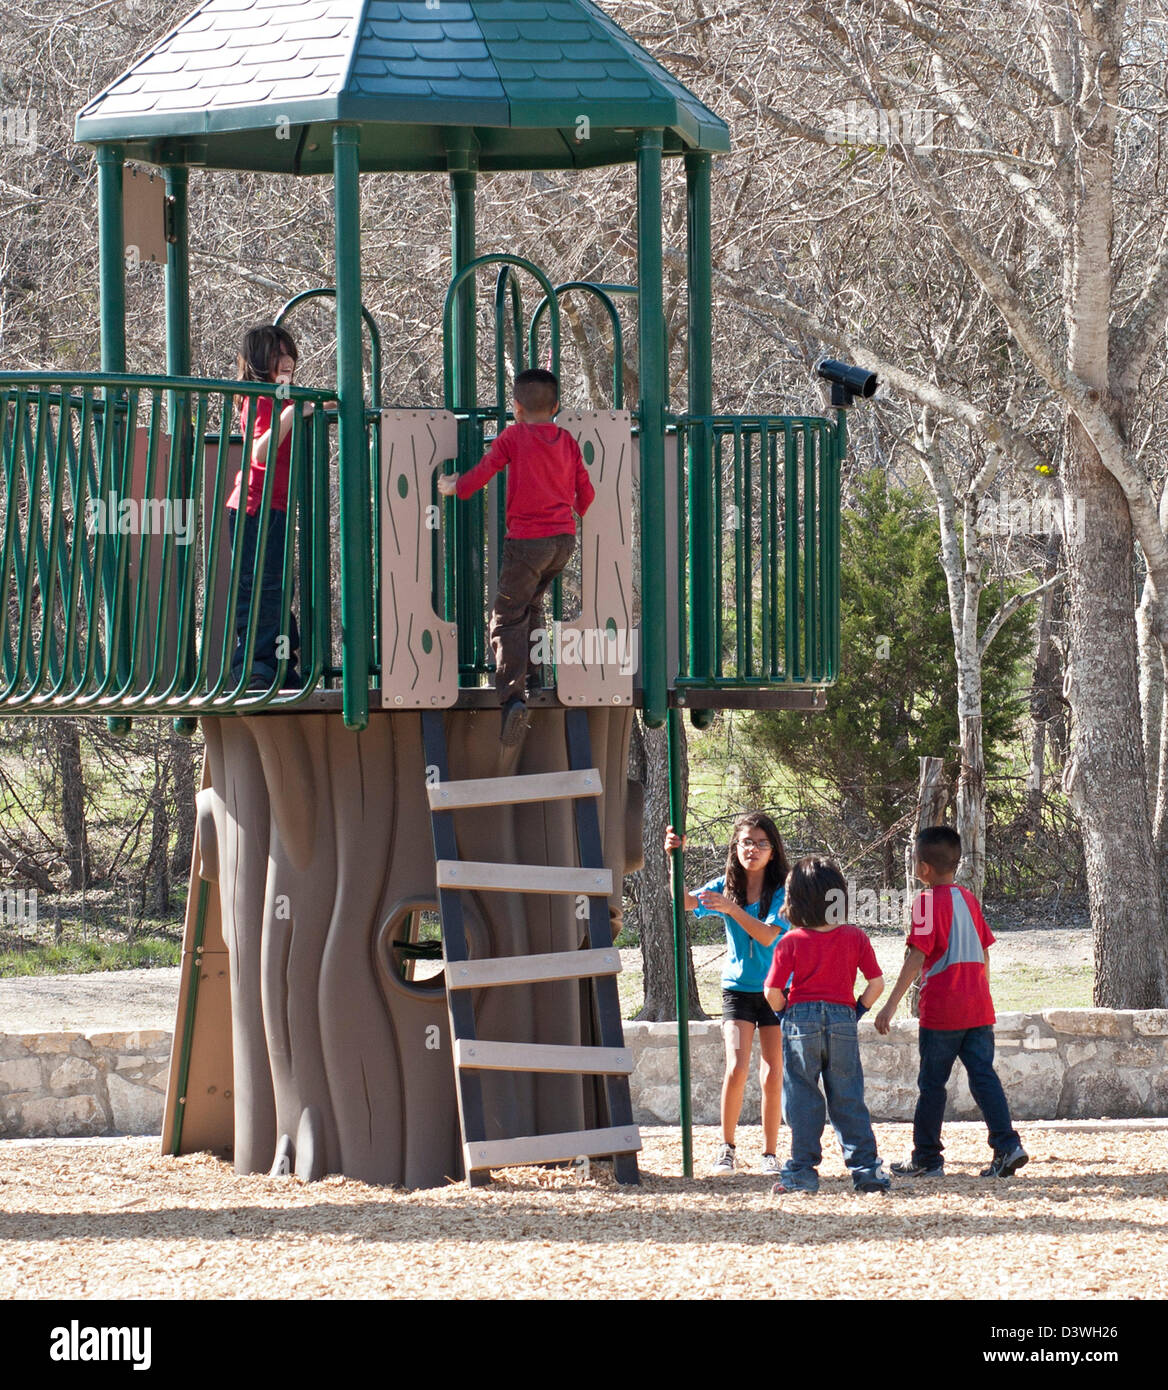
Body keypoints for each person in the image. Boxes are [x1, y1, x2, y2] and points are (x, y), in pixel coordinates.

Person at [437, 368, 593, 744]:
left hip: (526, 542)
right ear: (555, 407)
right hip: (562, 541)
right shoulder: (567, 441)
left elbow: (483, 473)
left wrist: (453, 486)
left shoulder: (514, 436)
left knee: (506, 617)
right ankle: (535, 675)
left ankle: (510, 698)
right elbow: (585, 497)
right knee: (533, 607)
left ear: (517, 409)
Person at [874, 826, 1028, 1179]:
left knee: (932, 1085)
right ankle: (1007, 1145)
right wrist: (982, 992)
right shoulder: (968, 899)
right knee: (983, 1077)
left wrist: (891, 1003)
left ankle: (927, 1158)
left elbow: (916, 956)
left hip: (942, 1012)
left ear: (923, 868)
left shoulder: (925, 902)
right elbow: (985, 950)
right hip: (978, 1009)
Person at [664, 812, 790, 1176]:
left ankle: (770, 1153)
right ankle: (727, 1147)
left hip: (776, 988)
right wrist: (675, 857)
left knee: (772, 1071)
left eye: (761, 843)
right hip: (737, 988)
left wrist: (732, 910)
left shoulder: (782, 889)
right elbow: (684, 901)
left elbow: (767, 935)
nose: (753, 849)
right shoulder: (725, 885)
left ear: (773, 850)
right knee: (736, 1066)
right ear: (735, 846)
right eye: (746, 842)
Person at [764, 856, 889, 1194]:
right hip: (842, 1018)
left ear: (794, 900)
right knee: (848, 1097)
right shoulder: (855, 937)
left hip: (799, 1018)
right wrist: (856, 1011)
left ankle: (801, 1174)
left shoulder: (790, 941)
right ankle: (866, 1172)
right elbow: (876, 984)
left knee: (802, 1097)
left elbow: (772, 991)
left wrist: (785, 1015)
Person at [225, 324, 319, 691]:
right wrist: (294, 413)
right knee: (258, 587)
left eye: (289, 351)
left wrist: (312, 407)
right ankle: (252, 667)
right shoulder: (260, 398)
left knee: (279, 587)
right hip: (253, 508)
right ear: (258, 362)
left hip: (273, 508)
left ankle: (280, 661)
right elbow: (259, 450)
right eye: (277, 354)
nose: (286, 359)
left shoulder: (281, 398)